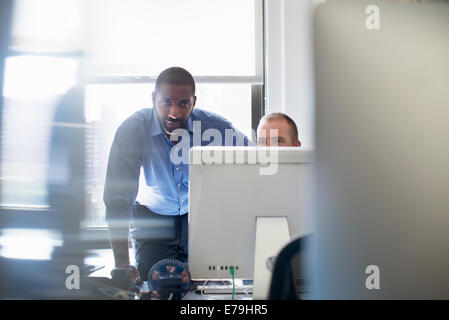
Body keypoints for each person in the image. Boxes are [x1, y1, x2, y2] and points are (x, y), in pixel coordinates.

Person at [103, 67, 251, 281]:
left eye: (184, 104)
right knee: (151, 284)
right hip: (153, 218)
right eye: (166, 102)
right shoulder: (133, 129)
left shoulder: (216, 128)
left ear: (194, 102)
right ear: (154, 99)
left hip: (199, 216)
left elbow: (259, 160)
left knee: (206, 283)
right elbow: (117, 200)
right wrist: (122, 265)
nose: (174, 113)